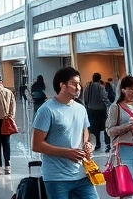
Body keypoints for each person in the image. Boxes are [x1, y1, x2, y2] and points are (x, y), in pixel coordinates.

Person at [31, 67, 96, 199]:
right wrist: (67, 152)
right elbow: (36, 145)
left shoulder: (81, 108)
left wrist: (89, 145)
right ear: (62, 85)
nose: (78, 87)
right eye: (73, 83)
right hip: (57, 178)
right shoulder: (47, 110)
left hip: (82, 174)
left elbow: (86, 133)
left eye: (79, 83)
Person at [82, 73, 111, 153]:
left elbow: (85, 98)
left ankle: (97, 144)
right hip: (101, 110)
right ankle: (107, 144)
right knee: (105, 127)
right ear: (99, 78)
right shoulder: (100, 87)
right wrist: (109, 105)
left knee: (94, 129)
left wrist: (87, 105)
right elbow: (104, 97)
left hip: (91, 110)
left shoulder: (88, 86)